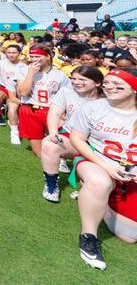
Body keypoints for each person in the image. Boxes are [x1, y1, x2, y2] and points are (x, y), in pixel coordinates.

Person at [68, 68, 137, 269]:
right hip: (96, 162)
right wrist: (105, 166)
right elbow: (77, 139)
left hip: (130, 174)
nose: (109, 88)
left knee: (129, 237)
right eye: (106, 83)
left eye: (118, 85)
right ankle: (88, 236)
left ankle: (103, 204)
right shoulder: (93, 108)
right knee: (99, 182)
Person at [41, 66, 105, 202]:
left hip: (98, 144)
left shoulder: (108, 99)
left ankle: (86, 188)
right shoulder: (66, 91)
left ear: (98, 82)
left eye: (82, 79)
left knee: (92, 183)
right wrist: (53, 132)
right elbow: (55, 112)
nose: (77, 82)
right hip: (72, 137)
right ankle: (51, 185)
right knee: (49, 144)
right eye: (74, 78)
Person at [16, 44, 70, 157]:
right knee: (38, 152)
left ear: (47, 57)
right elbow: (23, 92)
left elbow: (67, 96)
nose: (34, 59)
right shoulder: (24, 70)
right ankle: (50, 171)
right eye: (32, 56)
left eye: (37, 56)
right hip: (29, 109)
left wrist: (64, 111)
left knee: (62, 141)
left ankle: (61, 161)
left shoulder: (59, 74)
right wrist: (30, 73)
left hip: (52, 110)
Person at [0, 44, 29, 145]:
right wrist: (23, 103)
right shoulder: (12, 78)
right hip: (14, 94)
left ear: (19, 54)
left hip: (28, 97)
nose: (11, 55)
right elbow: (12, 96)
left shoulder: (25, 68)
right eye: (9, 52)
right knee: (12, 107)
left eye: (14, 52)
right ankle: (14, 133)